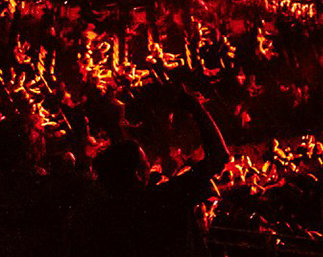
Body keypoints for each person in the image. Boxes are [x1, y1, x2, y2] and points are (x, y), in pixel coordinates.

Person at [83, 79, 231, 257]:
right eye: (146, 164)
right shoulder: (164, 199)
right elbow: (219, 155)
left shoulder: (102, 217)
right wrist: (195, 107)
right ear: (138, 174)